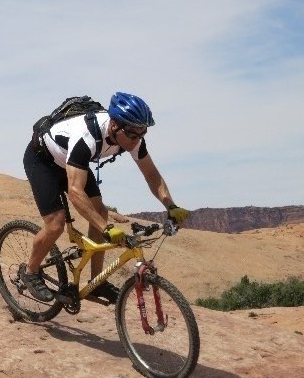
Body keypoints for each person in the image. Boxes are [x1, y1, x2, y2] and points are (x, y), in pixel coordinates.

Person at [22, 92, 190, 303]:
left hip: (70, 161)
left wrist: (170, 205)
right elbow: (75, 192)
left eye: (142, 134)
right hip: (43, 160)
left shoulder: (132, 136)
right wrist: (106, 228)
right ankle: (30, 272)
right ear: (114, 126)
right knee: (55, 224)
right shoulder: (87, 138)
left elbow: (152, 176)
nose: (137, 140)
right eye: (132, 135)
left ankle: (96, 283)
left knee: (100, 210)